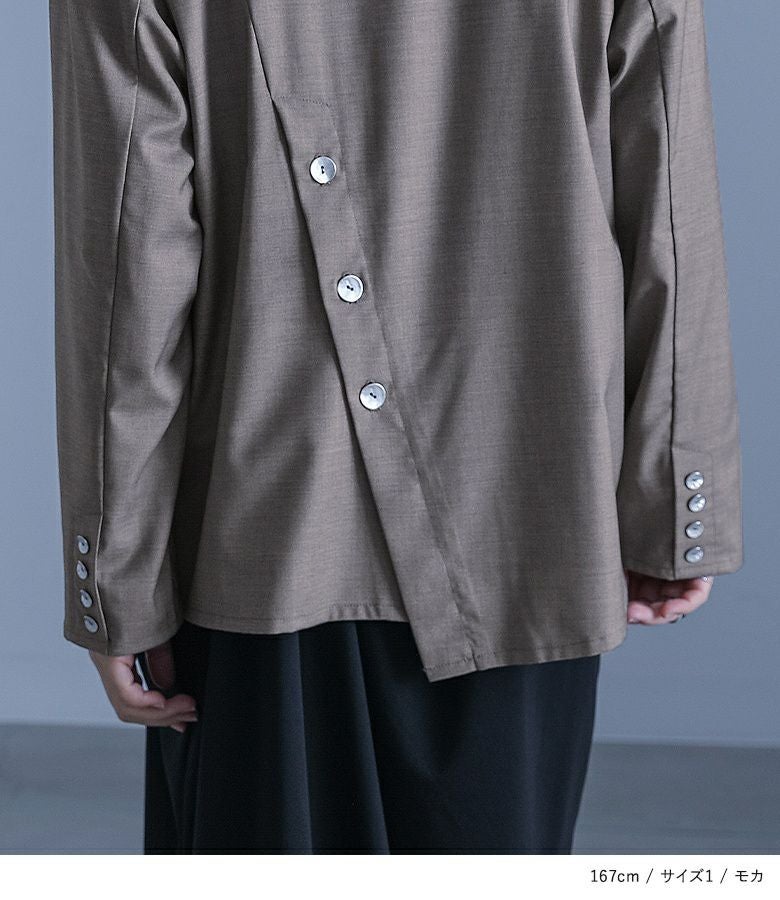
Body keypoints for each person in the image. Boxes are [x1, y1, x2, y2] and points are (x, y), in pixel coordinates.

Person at [48, 0, 743, 853]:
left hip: (269, 527)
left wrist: (116, 580)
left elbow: (129, 259)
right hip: (532, 512)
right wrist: (676, 503)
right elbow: (669, 194)